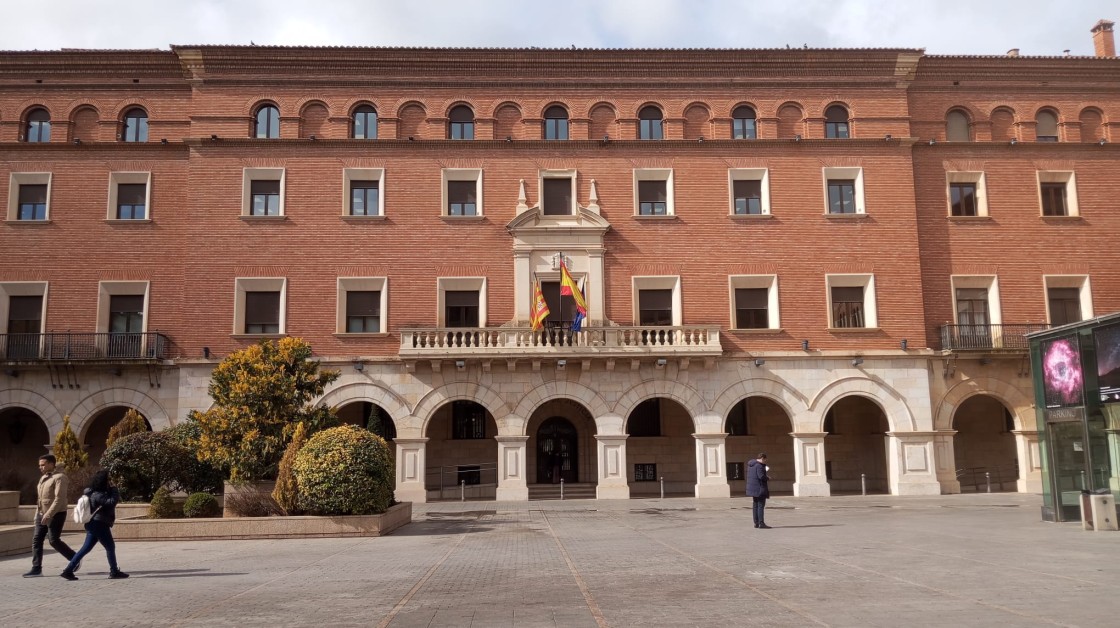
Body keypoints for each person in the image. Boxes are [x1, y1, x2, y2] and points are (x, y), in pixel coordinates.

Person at [60, 470, 128, 580]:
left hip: (94, 524)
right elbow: (111, 502)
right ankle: (114, 571)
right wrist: (115, 489)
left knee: (86, 548)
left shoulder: (94, 492)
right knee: (110, 547)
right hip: (99, 524)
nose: (110, 482)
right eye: (108, 480)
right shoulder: (97, 494)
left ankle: (68, 570)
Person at [23, 454, 77, 577]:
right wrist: (38, 514)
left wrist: (49, 514)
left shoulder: (60, 478)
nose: (40, 467)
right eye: (39, 465)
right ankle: (36, 568)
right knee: (36, 540)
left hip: (56, 514)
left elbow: (59, 499)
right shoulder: (43, 478)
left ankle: (75, 558)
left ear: (51, 464)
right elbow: (40, 499)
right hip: (41, 514)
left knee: (54, 541)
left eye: (43, 465)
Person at [746, 452, 771, 529]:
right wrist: (768, 478)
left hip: (753, 489)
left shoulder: (751, 465)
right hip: (760, 488)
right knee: (760, 506)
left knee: (755, 506)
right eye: (765, 460)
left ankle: (756, 523)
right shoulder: (759, 466)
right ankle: (761, 523)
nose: (765, 462)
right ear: (762, 458)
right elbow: (761, 476)